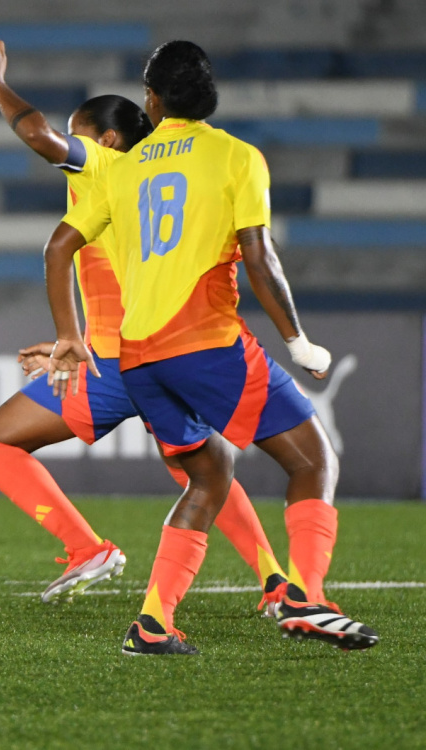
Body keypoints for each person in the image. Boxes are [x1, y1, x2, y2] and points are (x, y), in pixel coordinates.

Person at [43, 40, 378, 654]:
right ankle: (305, 594)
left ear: (153, 98)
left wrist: (70, 334)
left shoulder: (126, 167)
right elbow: (259, 254)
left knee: (208, 475)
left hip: (137, 354)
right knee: (313, 461)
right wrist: (297, 340)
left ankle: (153, 622)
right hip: (207, 341)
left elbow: (58, 247)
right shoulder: (236, 157)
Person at [0, 33, 289, 610]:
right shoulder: (151, 180)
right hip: (157, 349)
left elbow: (40, 138)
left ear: (108, 138)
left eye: (79, 131)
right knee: (202, 468)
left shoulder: (109, 166)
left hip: (115, 361)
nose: (70, 142)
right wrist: (74, 337)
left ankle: (84, 547)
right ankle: (274, 579)